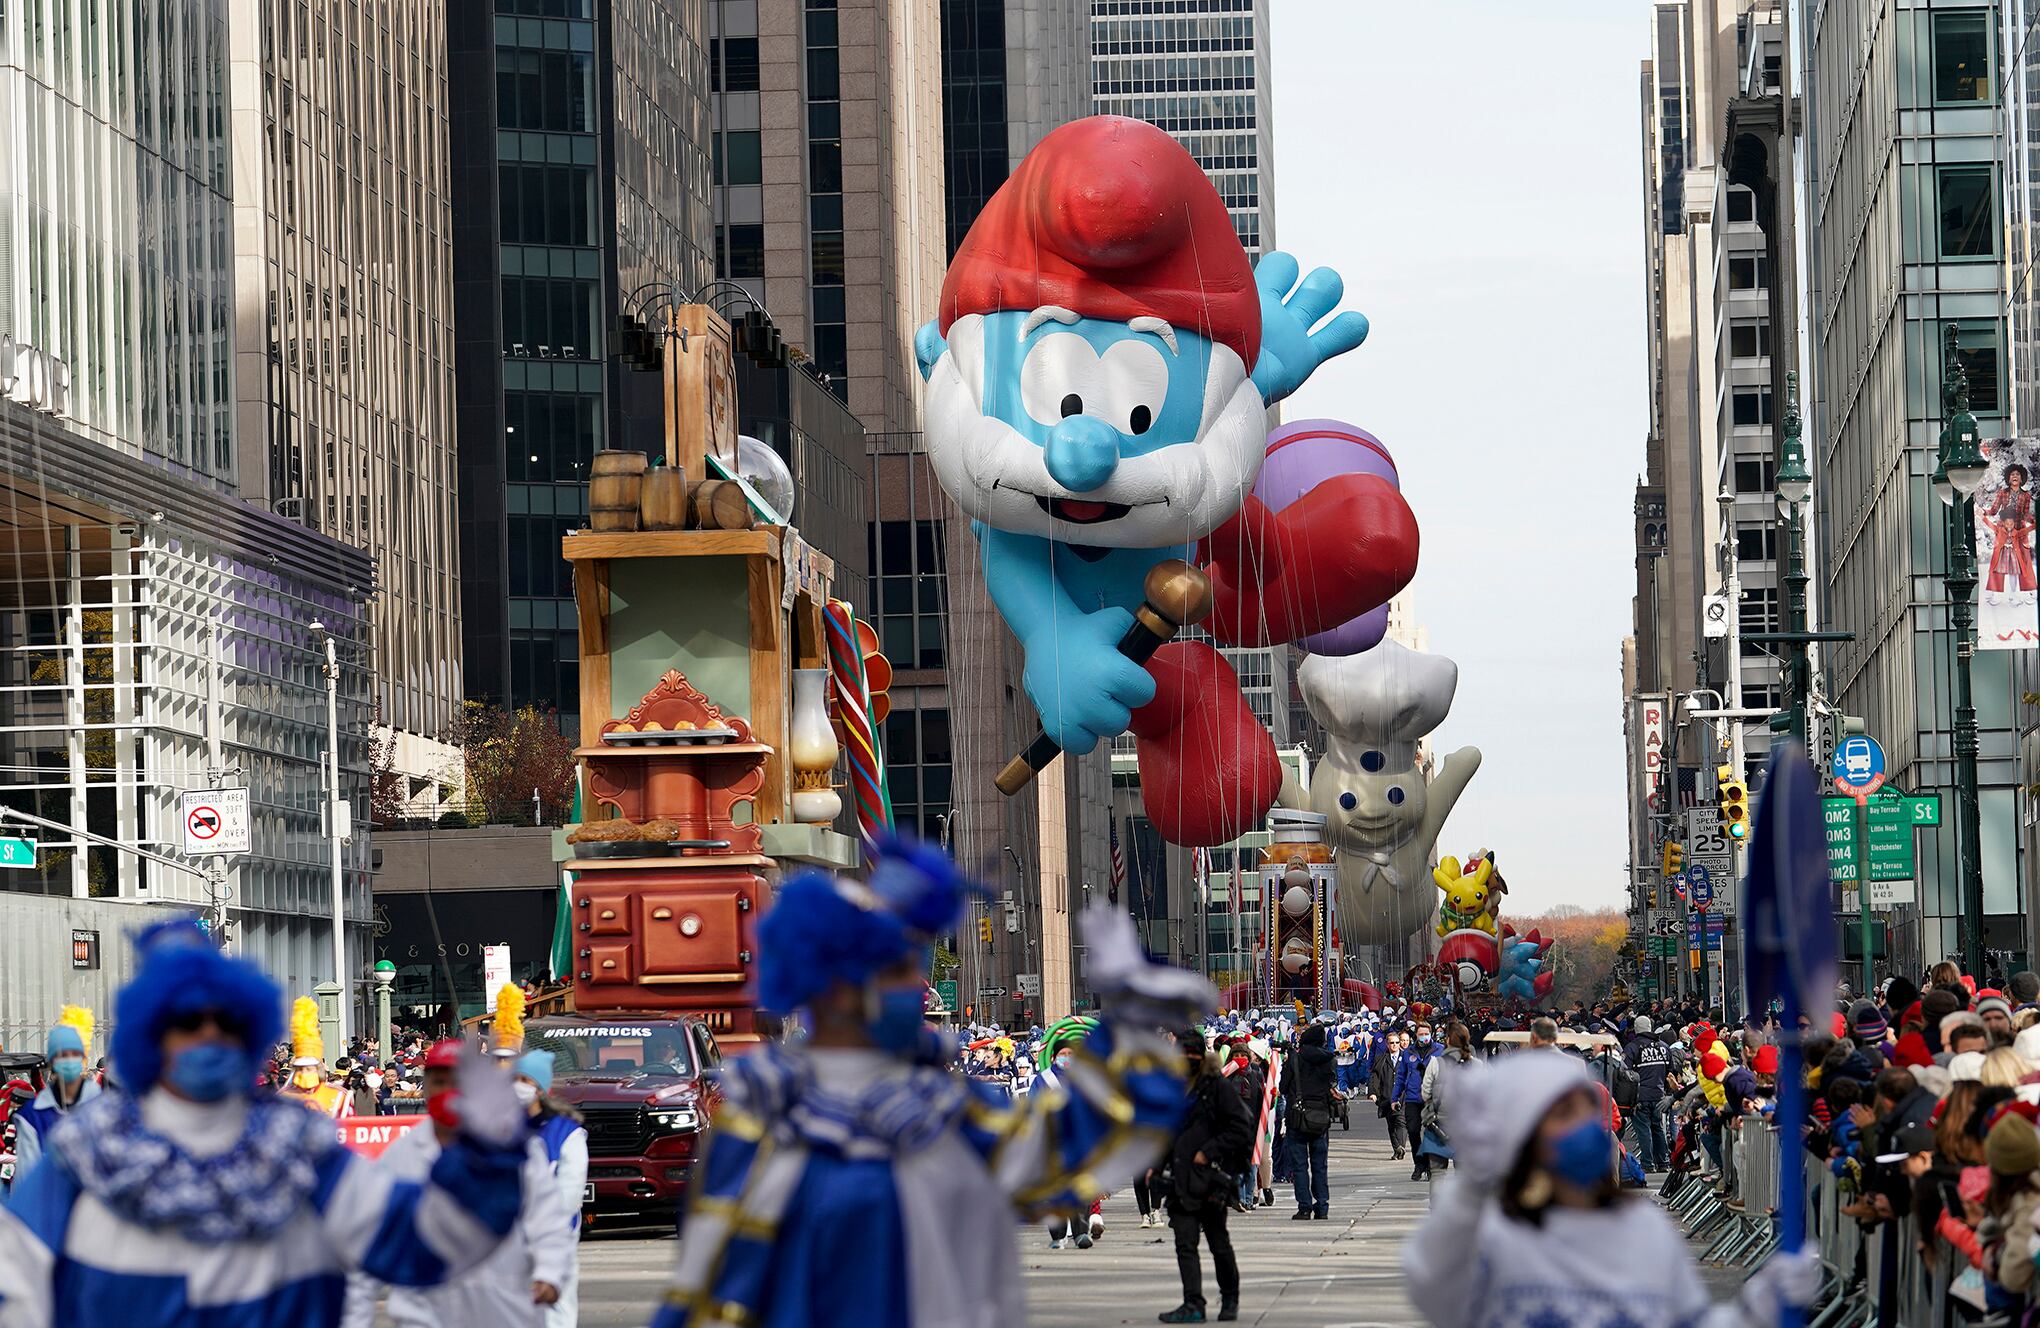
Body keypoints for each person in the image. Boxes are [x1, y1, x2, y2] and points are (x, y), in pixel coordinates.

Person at [652, 839, 1209, 1328]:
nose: (918, 989)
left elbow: (1065, 1152)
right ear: (841, 988)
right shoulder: (760, 1119)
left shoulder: (945, 1108)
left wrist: (1129, 1025)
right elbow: (709, 1286)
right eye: (898, 972)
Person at [0, 918, 529, 1325]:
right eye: (188, 1021)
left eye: (226, 1021)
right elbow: (17, 1277)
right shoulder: (90, 1149)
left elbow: (421, 1242)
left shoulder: (297, 1144)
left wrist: (487, 1152)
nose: (209, 1035)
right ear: (152, 1036)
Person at [1401, 1051, 1821, 1326]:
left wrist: (1756, 1312)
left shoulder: (1642, 1228)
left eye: (1586, 1109)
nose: (1584, 1126)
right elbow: (1432, 1286)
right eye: (1562, 1113)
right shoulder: (1491, 1234)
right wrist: (1475, 1184)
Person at [341, 1041, 575, 1328]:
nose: (449, 1091)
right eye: (440, 1082)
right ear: (426, 1088)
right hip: (424, 1312)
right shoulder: (400, 1157)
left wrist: (550, 1273)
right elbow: (369, 1243)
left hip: (502, 1308)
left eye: (458, 1083)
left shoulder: (514, 1151)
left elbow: (547, 1217)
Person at [1159, 1029, 1252, 1323]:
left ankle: (1230, 1297)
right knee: (1185, 1244)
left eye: (1191, 1054)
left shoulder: (1217, 1087)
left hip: (1211, 1179)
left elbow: (1240, 1127)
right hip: (1180, 1179)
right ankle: (1193, 1303)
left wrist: (1209, 1151)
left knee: (1218, 1242)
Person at [516, 1050, 587, 1328]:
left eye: (524, 1080)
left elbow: (570, 1194)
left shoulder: (566, 1133)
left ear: (539, 1088)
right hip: (512, 1239)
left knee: (555, 1312)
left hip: (555, 1237)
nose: (517, 1086)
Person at [8, 1009, 101, 1183]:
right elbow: (27, 1178)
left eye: (74, 1054)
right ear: (52, 1061)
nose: (69, 1060)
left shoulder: (104, 1106)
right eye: (63, 1055)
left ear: (82, 1058)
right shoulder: (31, 1116)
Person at [1280, 1024, 1336, 1220]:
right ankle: (1322, 1206)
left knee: (1299, 1165)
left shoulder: (1295, 1058)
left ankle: (1304, 1207)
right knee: (1320, 1165)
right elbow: (1332, 1084)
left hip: (1298, 1116)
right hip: (1321, 1115)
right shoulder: (1329, 1059)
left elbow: (1283, 1087)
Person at [1417, 1022, 1473, 1177]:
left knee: (1437, 1173)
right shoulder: (1477, 1064)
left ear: (1448, 1040)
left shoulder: (1436, 1063)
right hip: (1466, 1125)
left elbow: (1425, 1093)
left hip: (1439, 1124)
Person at [1395, 1022, 1437, 1180]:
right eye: (1420, 1034)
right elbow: (1401, 1076)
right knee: (1413, 1131)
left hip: (1432, 1098)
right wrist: (1395, 1097)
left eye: (1426, 1034)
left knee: (1431, 1133)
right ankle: (1419, 1163)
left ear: (1431, 1034)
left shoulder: (1439, 1050)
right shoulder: (1408, 1052)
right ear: (1416, 1035)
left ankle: (1431, 1165)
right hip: (1413, 1098)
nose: (1423, 1037)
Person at [1371, 1029, 1406, 1159]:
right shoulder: (1381, 1059)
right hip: (1387, 1096)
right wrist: (1373, 1092)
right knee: (1391, 1124)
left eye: (1397, 1042)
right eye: (1392, 1043)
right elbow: (1374, 1077)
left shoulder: (1407, 1058)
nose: (1395, 1045)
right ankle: (1397, 1148)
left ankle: (1401, 1147)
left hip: (1403, 1097)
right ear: (1387, 1044)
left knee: (1401, 1121)